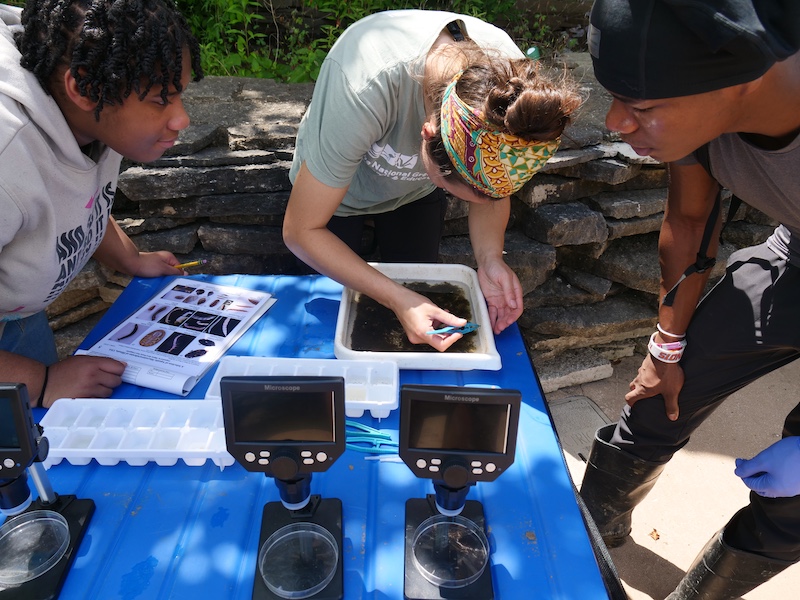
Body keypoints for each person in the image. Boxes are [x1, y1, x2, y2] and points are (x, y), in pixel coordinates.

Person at [578, 1, 800, 598]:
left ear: (742, 83)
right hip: (795, 256)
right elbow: (690, 215)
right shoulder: (701, 109)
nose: (616, 122)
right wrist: (666, 345)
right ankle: (587, 540)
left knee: (796, 499)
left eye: (642, 107)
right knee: (658, 397)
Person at [283, 9, 581, 351]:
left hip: (415, 196)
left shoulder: (513, 90)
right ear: (426, 134)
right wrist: (397, 298)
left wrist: (489, 259)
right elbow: (301, 232)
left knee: (416, 308)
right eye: (460, 193)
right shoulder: (365, 82)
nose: (480, 203)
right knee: (327, 328)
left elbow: (491, 190)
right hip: (337, 197)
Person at [0, 0, 202, 408]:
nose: (181, 119)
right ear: (84, 88)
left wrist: (129, 258)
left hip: (19, 314)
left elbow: (77, 197)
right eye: (161, 100)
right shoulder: (7, 161)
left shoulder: (90, 111)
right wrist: (40, 382)